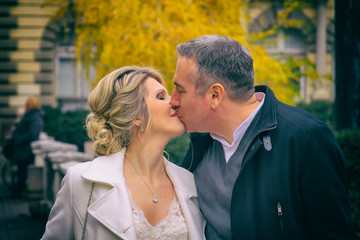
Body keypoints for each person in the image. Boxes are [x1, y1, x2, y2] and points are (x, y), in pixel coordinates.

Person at [170, 35, 359, 239]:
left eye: (180, 90)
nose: (173, 100)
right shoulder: (199, 144)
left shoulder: (306, 140)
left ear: (215, 95)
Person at [41, 66, 206, 240]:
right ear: (136, 116)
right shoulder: (81, 183)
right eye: (161, 96)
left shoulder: (190, 183)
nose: (174, 102)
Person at [10, 97, 44, 198]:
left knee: (22, 170)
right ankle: (17, 191)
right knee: (21, 170)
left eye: (27, 104)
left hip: (24, 149)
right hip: (22, 148)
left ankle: (17, 192)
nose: (25, 107)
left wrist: (19, 140)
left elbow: (33, 133)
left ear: (32, 105)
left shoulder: (35, 116)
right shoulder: (31, 115)